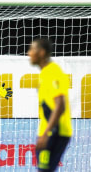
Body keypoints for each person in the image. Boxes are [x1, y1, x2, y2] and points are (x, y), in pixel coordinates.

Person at [27, 38, 72, 172]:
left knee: (44, 170)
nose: (28, 53)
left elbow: (60, 105)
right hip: (52, 132)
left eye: (32, 49)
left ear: (41, 52)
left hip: (55, 132)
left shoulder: (52, 72)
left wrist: (46, 134)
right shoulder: (45, 73)